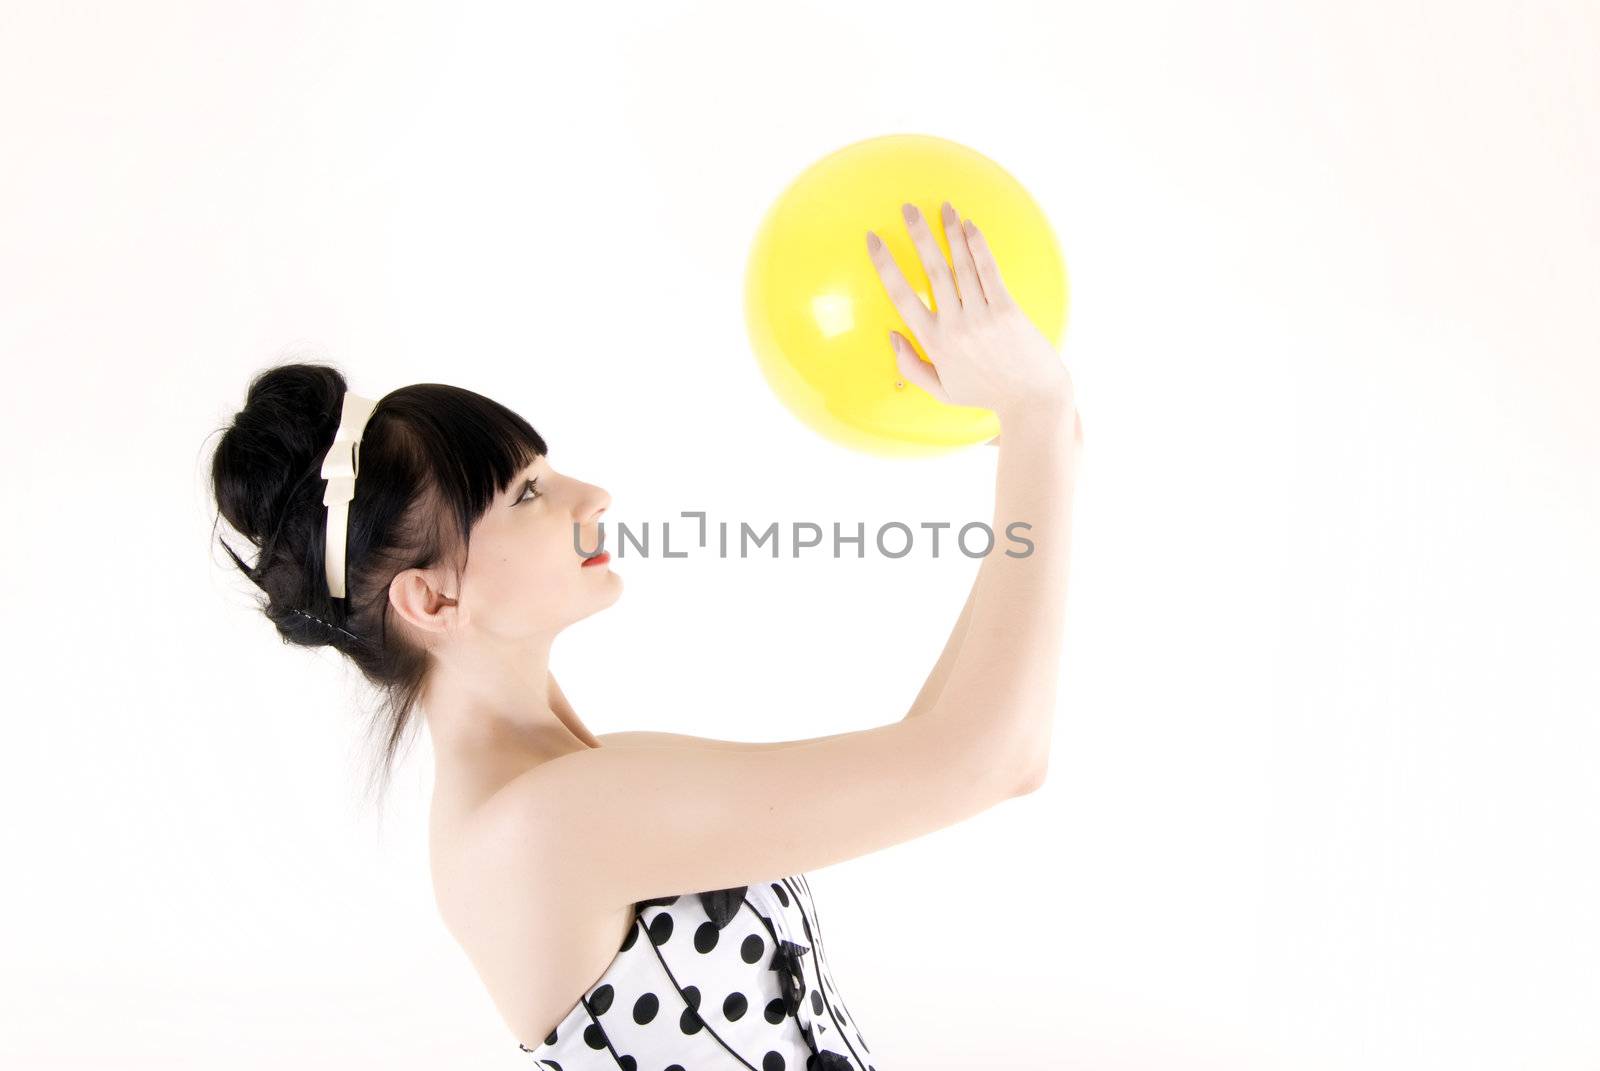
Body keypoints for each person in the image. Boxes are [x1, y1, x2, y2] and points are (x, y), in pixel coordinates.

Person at [206, 199, 1083, 1068]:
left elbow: (939, 744)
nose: (591, 497)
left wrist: (1038, 442)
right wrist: (1037, 418)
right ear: (430, 602)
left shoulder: (570, 787)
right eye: (527, 493)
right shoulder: (544, 822)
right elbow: (993, 757)